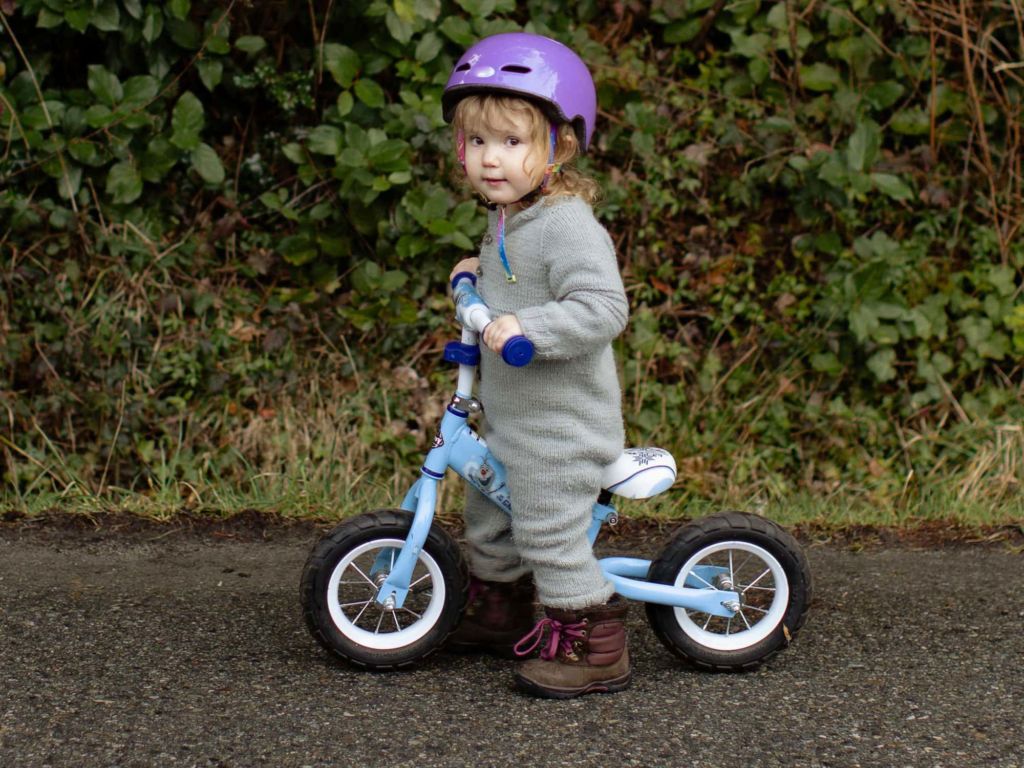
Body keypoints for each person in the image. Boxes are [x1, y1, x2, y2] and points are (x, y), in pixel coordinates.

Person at [441, 32, 631, 699]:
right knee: (488, 515)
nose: (490, 159)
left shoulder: (567, 225)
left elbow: (604, 308)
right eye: (476, 142)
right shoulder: (507, 219)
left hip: (561, 428)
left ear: (560, 145)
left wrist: (529, 325)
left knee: (547, 526)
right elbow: (511, 284)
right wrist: (477, 279)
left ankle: (593, 639)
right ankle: (501, 609)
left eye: (511, 142)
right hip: (513, 421)